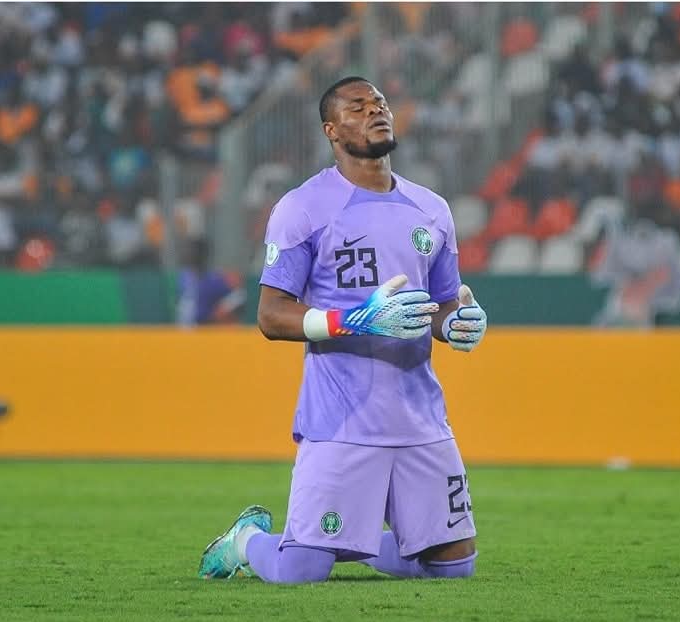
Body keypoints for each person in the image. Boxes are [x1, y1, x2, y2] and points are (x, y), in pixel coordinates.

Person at [198, 77, 487, 583]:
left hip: (420, 416)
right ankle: (247, 541)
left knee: (453, 566)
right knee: (301, 570)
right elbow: (270, 314)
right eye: (358, 107)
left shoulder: (432, 210)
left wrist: (457, 323)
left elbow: (441, 305)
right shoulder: (303, 208)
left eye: (380, 104)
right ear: (332, 130)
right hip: (342, 418)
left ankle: (343, 543)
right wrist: (352, 320)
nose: (376, 112)